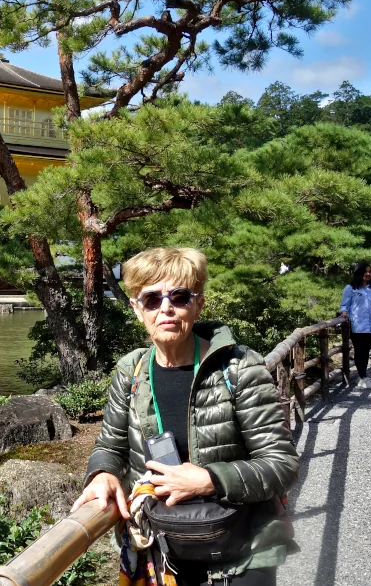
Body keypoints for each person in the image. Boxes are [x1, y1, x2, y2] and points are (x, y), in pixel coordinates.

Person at [71, 247, 299, 586]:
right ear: (137, 309)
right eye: (151, 299)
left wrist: (211, 479)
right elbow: (110, 446)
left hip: (242, 548)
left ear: (198, 304)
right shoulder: (131, 372)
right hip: (164, 547)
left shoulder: (238, 367)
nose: (166, 308)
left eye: (179, 296)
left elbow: (282, 464)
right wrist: (102, 472)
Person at [339, 263, 371, 389]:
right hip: (357, 326)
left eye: (370, 272)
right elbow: (344, 305)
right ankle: (363, 377)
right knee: (360, 352)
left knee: (366, 352)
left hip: (370, 326)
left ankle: (362, 376)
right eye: (365, 271)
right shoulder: (351, 288)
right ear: (359, 273)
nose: (368, 274)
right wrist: (344, 312)